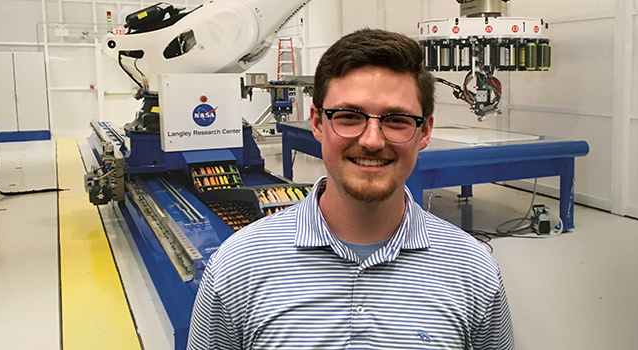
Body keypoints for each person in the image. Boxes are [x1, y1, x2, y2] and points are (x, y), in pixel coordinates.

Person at [187, 28, 514, 349]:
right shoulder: (238, 266)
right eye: (348, 116)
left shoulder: (473, 271)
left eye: (397, 119)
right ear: (317, 123)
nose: (372, 140)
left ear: (424, 131)